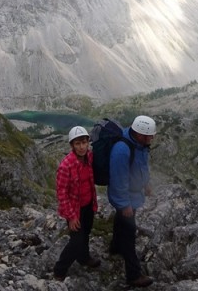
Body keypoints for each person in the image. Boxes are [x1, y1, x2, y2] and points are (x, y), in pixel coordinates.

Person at [107, 115, 156, 287]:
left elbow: (140, 166)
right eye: (149, 136)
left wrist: (146, 184)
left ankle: (115, 247)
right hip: (126, 197)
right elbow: (118, 180)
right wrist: (124, 204)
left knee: (121, 222)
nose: (151, 138)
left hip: (132, 195)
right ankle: (133, 275)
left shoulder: (139, 144)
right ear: (140, 134)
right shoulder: (122, 150)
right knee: (129, 234)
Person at [53, 126, 101, 281]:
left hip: (88, 205)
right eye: (77, 143)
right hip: (74, 210)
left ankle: (84, 258)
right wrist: (72, 217)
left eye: (84, 142)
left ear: (88, 143)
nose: (81, 147)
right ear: (72, 146)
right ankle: (59, 270)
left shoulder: (89, 157)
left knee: (85, 233)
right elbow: (62, 193)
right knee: (76, 241)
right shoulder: (66, 166)